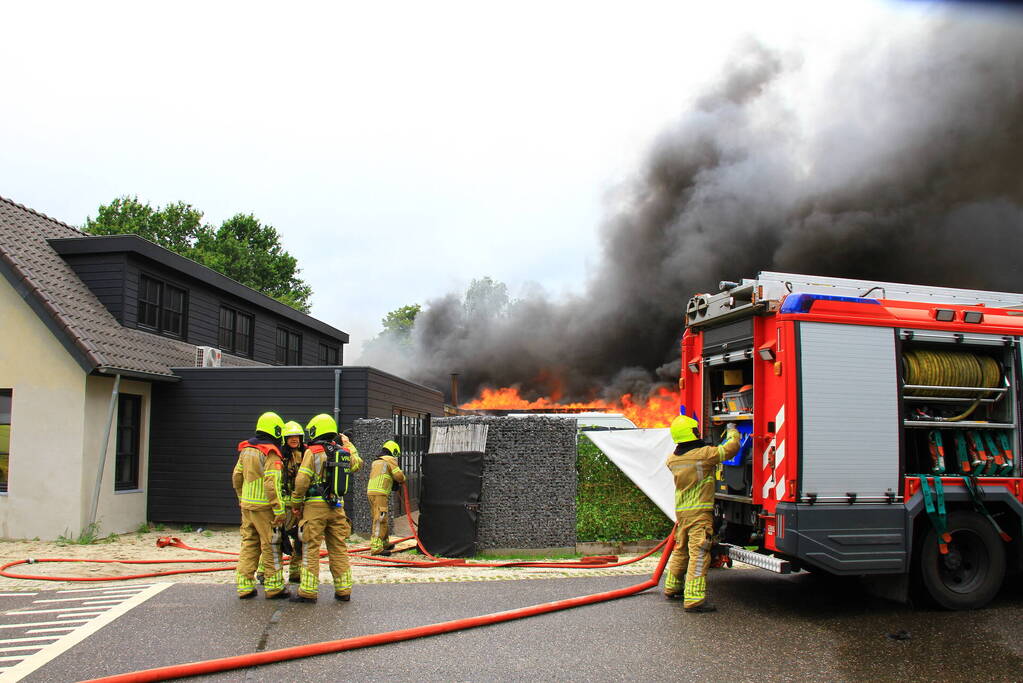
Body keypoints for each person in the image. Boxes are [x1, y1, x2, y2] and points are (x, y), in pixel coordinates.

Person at [663, 415, 740, 613]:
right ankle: (694, 599)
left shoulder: (672, 459)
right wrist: (732, 430)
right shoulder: (703, 454)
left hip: (682, 512)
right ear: (691, 433)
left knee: (681, 550)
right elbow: (730, 449)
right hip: (699, 512)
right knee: (699, 553)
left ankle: (672, 587)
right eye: (695, 430)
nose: (699, 432)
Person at [291, 413, 363, 603]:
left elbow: (302, 480)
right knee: (339, 548)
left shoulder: (312, 452)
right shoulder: (343, 452)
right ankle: (344, 590)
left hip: (315, 507)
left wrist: (295, 504)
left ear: (316, 430)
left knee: (311, 547)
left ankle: (307, 592)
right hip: (338, 507)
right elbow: (358, 464)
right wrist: (348, 444)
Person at [231, 411, 288, 600]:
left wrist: (241, 497)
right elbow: (272, 484)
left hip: (247, 506)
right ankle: (274, 587)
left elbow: (236, 476)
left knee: (249, 543)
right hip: (265, 508)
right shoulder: (271, 452)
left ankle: (244, 586)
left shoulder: (246, 449)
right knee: (271, 545)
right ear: (276, 430)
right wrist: (279, 510)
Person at [367, 440, 407, 555]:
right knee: (380, 519)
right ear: (393, 451)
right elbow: (399, 476)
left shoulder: (377, 461)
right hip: (380, 493)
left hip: (372, 492)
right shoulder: (390, 460)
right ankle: (376, 547)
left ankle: (384, 542)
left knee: (381, 516)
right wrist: (402, 479)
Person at [280, 421, 307, 584]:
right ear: (285, 438)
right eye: (291, 436)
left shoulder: (305, 454)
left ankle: (295, 573)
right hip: (285, 504)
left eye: (297, 436)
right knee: (277, 538)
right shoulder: (281, 457)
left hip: (300, 503)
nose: (294, 439)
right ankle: (264, 571)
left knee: (300, 539)